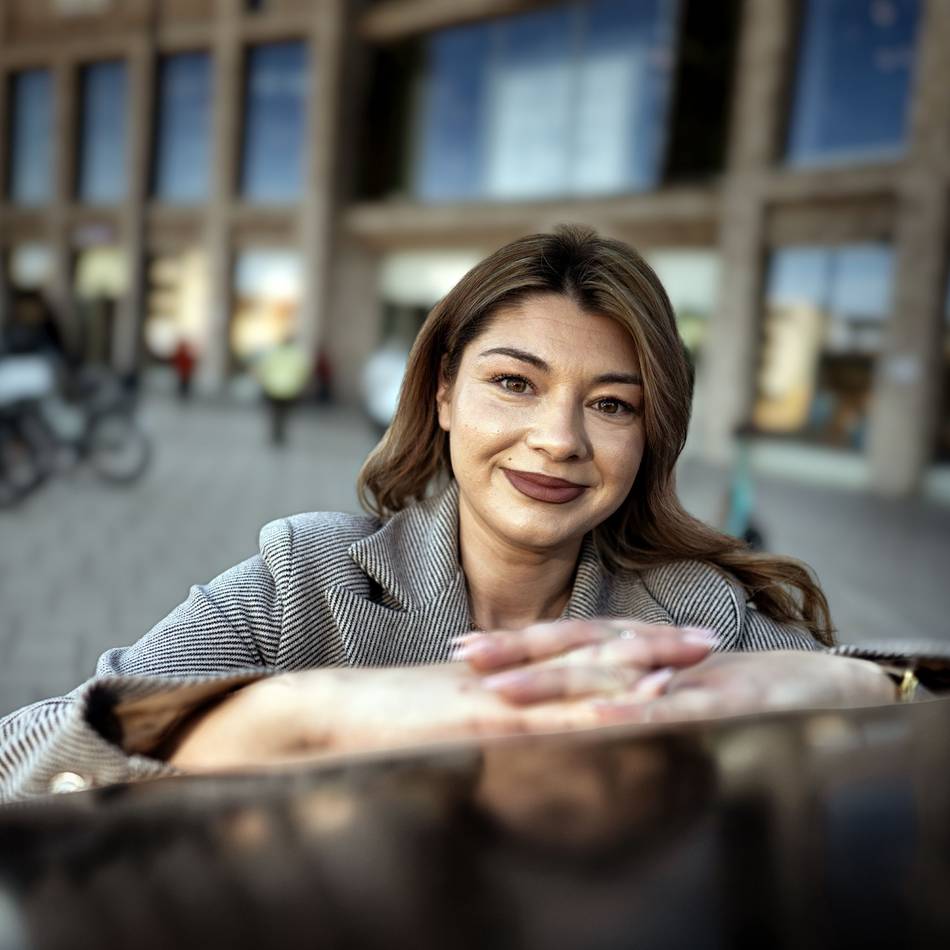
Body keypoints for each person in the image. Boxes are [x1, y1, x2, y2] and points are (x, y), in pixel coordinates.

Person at [0, 227, 940, 803]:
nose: (558, 439)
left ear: (652, 437)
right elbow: (23, 761)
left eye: (611, 405)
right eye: (513, 384)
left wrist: (859, 695)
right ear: (443, 393)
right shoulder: (306, 583)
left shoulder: (704, 615)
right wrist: (308, 715)